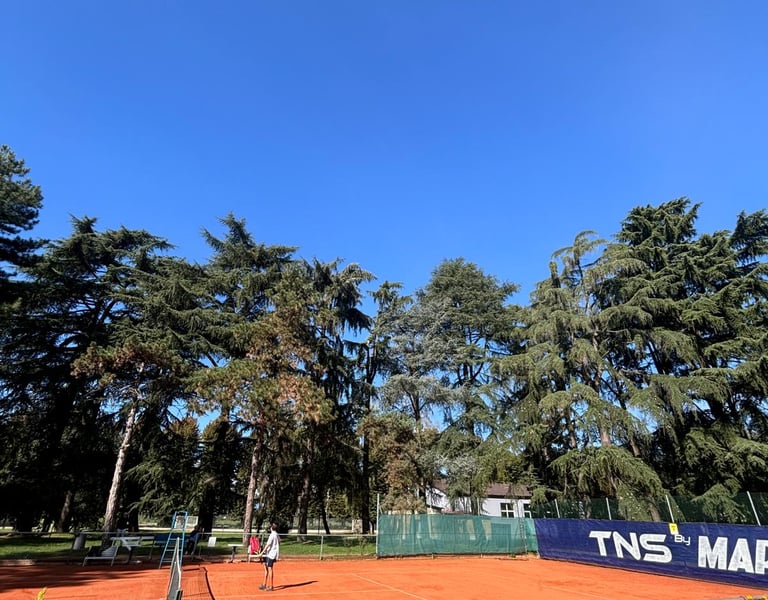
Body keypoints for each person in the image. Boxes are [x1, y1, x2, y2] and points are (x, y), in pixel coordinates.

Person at [259, 523, 280, 591]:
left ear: (271, 528)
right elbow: (280, 541)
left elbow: (268, 545)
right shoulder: (276, 534)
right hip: (270, 553)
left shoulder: (272, 535)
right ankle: (264, 584)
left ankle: (271, 586)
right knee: (266, 568)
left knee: (270, 569)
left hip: (271, 554)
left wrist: (261, 553)